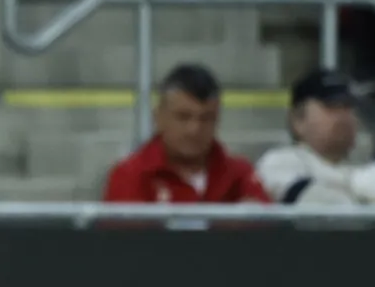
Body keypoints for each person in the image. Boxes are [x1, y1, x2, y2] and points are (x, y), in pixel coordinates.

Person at [256, 67, 375, 203]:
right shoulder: (279, 163)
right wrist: (374, 195)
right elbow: (316, 205)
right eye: (331, 106)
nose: (343, 115)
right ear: (298, 120)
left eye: (348, 105)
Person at [103, 63, 273, 202]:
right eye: (183, 117)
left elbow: (268, 227)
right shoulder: (129, 176)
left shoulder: (240, 175)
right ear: (158, 117)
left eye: (206, 118)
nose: (194, 129)